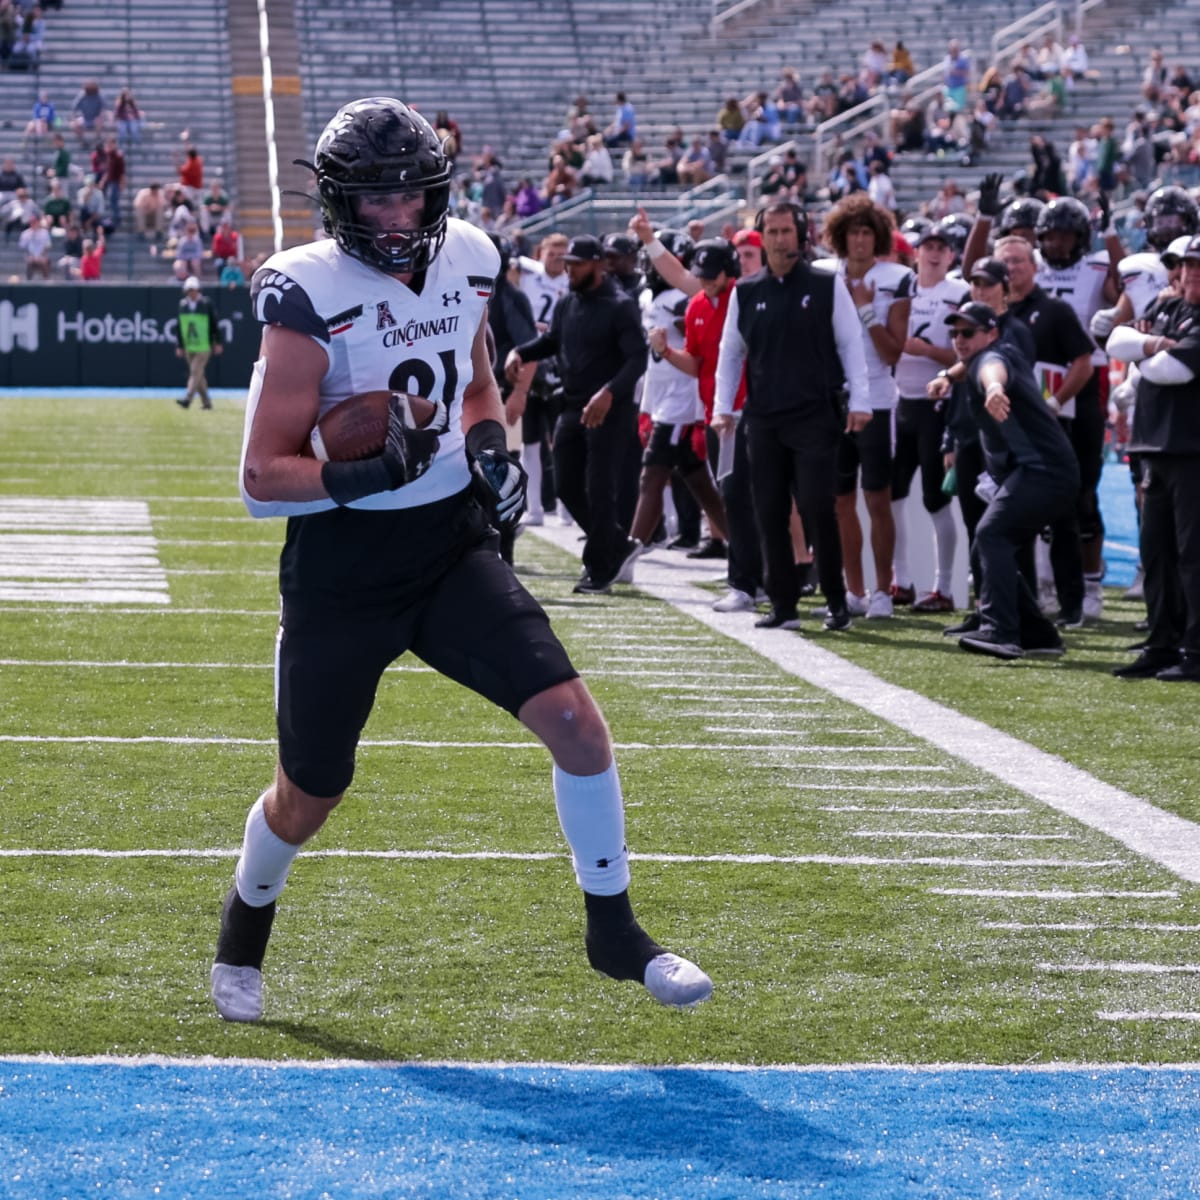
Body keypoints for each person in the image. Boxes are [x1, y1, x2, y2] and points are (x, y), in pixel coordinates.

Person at [211, 97, 710, 1022]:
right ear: (337, 204)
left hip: (447, 545)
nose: (399, 218)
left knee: (577, 724)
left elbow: (476, 379)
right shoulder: (303, 287)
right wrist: (362, 473)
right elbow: (260, 477)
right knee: (309, 793)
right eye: (376, 202)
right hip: (343, 568)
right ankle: (246, 920)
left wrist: (490, 452)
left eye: (413, 197)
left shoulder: (474, 256)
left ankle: (613, 928)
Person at [712, 201, 871, 631]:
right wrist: (722, 408)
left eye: (787, 231)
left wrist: (861, 401)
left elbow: (851, 344)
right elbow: (731, 353)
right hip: (762, 418)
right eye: (773, 231)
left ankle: (837, 600)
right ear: (761, 236)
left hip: (815, 414)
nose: (781, 239)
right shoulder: (746, 291)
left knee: (819, 506)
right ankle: (783, 605)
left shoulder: (825, 284)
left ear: (801, 235)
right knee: (769, 509)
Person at [507, 234, 648, 593]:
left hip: (609, 409)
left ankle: (599, 568)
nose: (569, 269)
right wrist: (520, 352)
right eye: (567, 263)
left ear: (598, 264)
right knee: (568, 485)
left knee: (600, 487)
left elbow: (637, 359)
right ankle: (618, 544)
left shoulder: (620, 305)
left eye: (577, 264)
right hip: (572, 404)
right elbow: (552, 340)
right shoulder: (568, 302)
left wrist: (609, 392)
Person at [945, 301, 1078, 660]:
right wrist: (946, 376)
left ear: (991, 333)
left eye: (968, 332)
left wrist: (992, 391)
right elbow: (973, 363)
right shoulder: (992, 353)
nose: (959, 339)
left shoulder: (993, 360)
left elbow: (991, 369)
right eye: (955, 332)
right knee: (985, 544)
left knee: (992, 535)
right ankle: (1037, 634)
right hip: (1043, 469)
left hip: (1044, 471)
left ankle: (1001, 632)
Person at [815, 193, 913, 619]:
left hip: (876, 399)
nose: (859, 241)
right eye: (853, 232)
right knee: (838, 500)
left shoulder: (896, 278)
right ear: (840, 236)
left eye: (867, 232)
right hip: (832, 400)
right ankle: (852, 589)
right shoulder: (822, 275)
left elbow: (893, 352)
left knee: (877, 498)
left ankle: (882, 590)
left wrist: (866, 309)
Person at [1107, 235, 1200, 681]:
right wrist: (1156, 346)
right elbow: (1115, 340)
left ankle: (1196, 649)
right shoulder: (1166, 309)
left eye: (1197, 266)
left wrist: (1146, 351)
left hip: (1192, 451)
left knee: (1192, 554)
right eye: (1183, 266)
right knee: (1157, 552)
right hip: (1153, 446)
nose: (1188, 274)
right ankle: (1163, 643)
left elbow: (1173, 369)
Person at [890, 222, 969, 611]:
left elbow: (968, 354)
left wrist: (927, 353)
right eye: (928, 246)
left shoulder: (958, 293)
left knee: (936, 498)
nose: (934, 253)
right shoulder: (902, 287)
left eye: (943, 247)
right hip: (899, 400)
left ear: (953, 255)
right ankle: (900, 579)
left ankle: (944, 586)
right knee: (892, 494)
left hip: (938, 403)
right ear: (916, 251)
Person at [175, 276, 223, 410]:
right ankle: (207, 403)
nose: (191, 293)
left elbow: (214, 324)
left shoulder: (206, 304)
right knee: (199, 375)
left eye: (193, 290)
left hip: (203, 345)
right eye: (189, 290)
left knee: (195, 371)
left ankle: (187, 398)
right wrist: (179, 345)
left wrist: (217, 342)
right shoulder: (183, 305)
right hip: (189, 345)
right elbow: (179, 326)